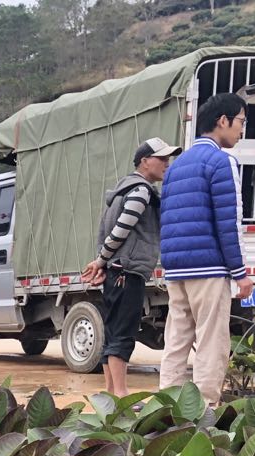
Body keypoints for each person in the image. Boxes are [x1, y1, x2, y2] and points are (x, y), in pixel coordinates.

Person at [158, 92, 254, 406]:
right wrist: (240, 273)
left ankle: (166, 408)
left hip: (176, 270)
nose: (241, 130)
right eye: (240, 122)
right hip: (209, 268)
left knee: (177, 340)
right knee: (212, 341)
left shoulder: (176, 166)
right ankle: (206, 411)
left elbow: (168, 219)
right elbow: (229, 221)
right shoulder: (222, 161)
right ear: (222, 121)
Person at [83, 137, 180, 396]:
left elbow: (108, 231)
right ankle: (122, 393)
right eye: (161, 159)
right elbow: (121, 229)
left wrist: (102, 261)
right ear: (144, 161)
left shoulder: (121, 190)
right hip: (128, 271)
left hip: (116, 271)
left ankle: (112, 393)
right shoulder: (141, 191)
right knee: (124, 333)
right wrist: (102, 260)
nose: (166, 164)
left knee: (113, 331)